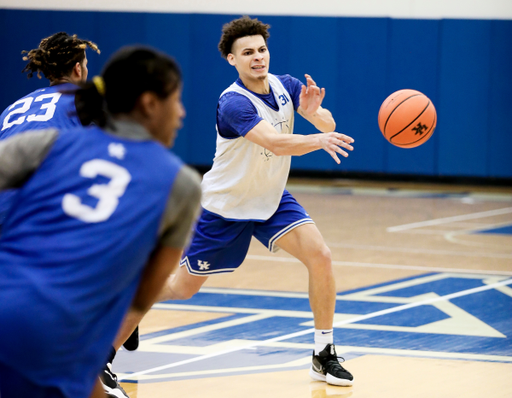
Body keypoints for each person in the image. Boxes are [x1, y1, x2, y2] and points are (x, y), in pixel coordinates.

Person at [156, 15, 355, 386]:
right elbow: (276, 143)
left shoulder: (287, 85)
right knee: (182, 289)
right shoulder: (233, 103)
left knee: (321, 256)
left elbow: (326, 123)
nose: (257, 57)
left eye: (261, 49)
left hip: (271, 198)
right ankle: (132, 301)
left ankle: (323, 353)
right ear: (232, 60)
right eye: (247, 52)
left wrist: (314, 115)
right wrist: (318, 140)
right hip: (226, 206)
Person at [0, 46, 202, 398]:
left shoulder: (45, 144)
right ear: (150, 104)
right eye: (177, 100)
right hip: (56, 329)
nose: (182, 113)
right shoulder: (180, 185)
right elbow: (142, 296)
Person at [0, 31, 100, 226]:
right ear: (78, 69)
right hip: (36, 215)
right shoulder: (82, 99)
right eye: (86, 65)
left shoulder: (13, 108)